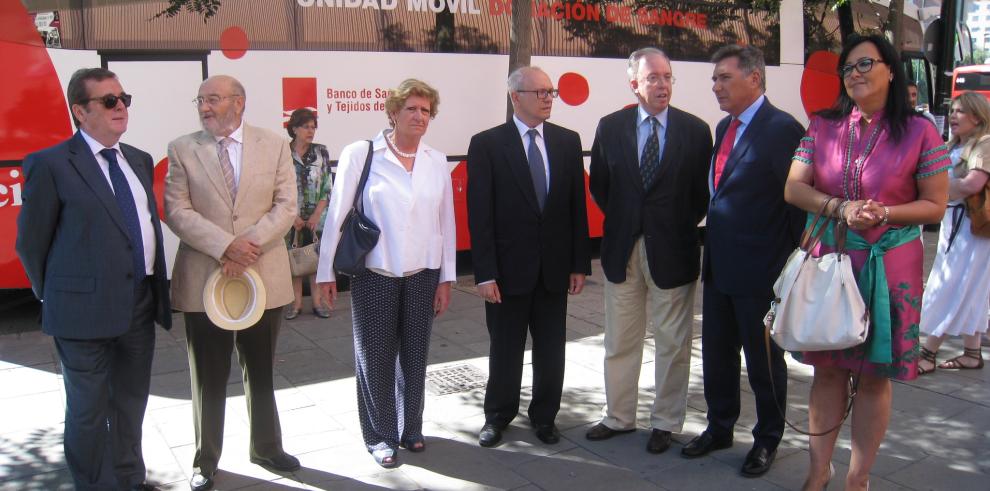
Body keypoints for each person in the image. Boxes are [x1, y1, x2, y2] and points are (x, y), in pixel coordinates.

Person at [783, 35, 950, 491]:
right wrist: (840, 207)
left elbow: (936, 205)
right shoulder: (823, 125)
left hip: (890, 263)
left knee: (875, 376)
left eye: (865, 64)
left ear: (891, 70)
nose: (854, 73)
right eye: (848, 67)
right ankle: (818, 471)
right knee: (829, 368)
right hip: (831, 260)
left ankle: (858, 478)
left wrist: (884, 212)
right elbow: (794, 188)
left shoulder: (920, 130)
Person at [15, 67, 172, 490]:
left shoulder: (137, 159)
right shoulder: (51, 165)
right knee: (87, 410)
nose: (120, 106)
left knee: (131, 404)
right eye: (108, 101)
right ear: (80, 112)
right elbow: (31, 244)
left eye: (123, 98)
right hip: (81, 314)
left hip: (138, 305)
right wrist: (54, 295)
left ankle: (128, 478)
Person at [165, 75, 300, 491]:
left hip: (264, 275)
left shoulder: (274, 144)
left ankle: (267, 447)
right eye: (200, 100)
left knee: (260, 369)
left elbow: (287, 204)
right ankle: (206, 460)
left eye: (213, 99)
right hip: (205, 276)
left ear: (239, 103)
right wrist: (226, 247)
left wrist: (248, 246)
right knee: (207, 374)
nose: (204, 107)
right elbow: (177, 210)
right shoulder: (182, 148)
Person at [316, 79, 455, 468]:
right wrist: (325, 272)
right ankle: (379, 435)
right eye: (411, 108)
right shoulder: (363, 154)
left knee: (415, 356)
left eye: (426, 110)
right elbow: (338, 215)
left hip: (423, 272)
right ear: (393, 113)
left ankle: (411, 427)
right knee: (374, 357)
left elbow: (446, 222)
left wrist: (446, 277)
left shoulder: (436, 160)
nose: (419, 116)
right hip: (375, 272)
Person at [681, 45, 804, 477]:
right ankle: (719, 426)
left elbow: (795, 205)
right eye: (714, 79)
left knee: (764, 363)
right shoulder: (723, 126)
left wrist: (785, 266)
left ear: (754, 78)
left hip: (761, 272)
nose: (715, 86)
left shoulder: (782, 129)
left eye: (724, 78)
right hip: (718, 266)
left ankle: (768, 438)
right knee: (716, 355)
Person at [587, 47, 712, 454]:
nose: (662, 84)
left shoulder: (695, 131)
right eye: (653, 77)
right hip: (623, 247)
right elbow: (601, 186)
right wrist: (630, 220)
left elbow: (701, 195)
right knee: (620, 339)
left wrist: (670, 224)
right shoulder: (610, 127)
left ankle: (665, 421)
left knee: (673, 342)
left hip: (674, 248)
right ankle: (619, 417)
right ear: (634, 84)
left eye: (667, 76)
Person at [467, 66, 591, 448]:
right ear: (515, 96)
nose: (548, 98)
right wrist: (485, 273)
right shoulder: (487, 144)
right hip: (507, 273)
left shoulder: (567, 142)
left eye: (550, 91)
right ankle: (498, 416)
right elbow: (480, 213)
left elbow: (576, 209)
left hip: (554, 270)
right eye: (540, 92)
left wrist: (578, 264)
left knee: (551, 351)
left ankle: (544, 417)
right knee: (505, 349)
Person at [918, 92, 990, 373]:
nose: (953, 116)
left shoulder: (984, 144)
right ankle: (972, 353)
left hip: (972, 231)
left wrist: (935, 190)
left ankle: (927, 352)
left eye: (960, 111)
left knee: (953, 286)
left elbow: (972, 185)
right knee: (970, 289)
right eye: (953, 111)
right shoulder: (955, 144)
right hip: (955, 225)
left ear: (977, 116)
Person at [284, 108, 333, 320]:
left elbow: (327, 187)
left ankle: (317, 303)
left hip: (317, 217)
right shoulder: (282, 153)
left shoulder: (321, 151)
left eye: (313, 127)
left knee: (315, 260)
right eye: (306, 126)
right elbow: (278, 188)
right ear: (294, 128)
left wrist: (316, 215)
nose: (311, 131)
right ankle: (295, 305)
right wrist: (291, 216)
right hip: (290, 217)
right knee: (294, 260)